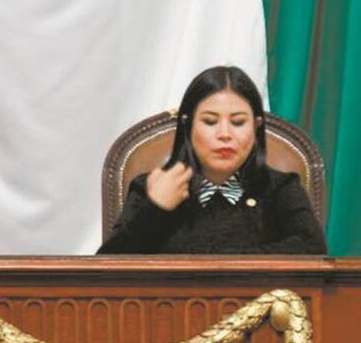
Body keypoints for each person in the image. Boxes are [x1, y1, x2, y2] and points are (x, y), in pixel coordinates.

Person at [98, 66, 327, 255]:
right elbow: (107, 271)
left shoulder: (280, 188)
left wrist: (214, 262)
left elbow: (312, 249)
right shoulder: (152, 188)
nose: (224, 134)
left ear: (256, 128)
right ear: (188, 126)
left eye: (238, 122)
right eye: (209, 122)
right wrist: (154, 210)